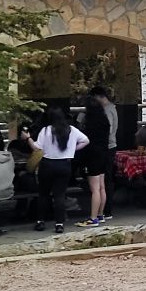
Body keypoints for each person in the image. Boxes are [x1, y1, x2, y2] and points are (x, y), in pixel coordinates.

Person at [27, 107, 89, 233]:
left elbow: (36, 148)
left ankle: (40, 222)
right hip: (64, 165)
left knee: (43, 194)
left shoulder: (46, 130)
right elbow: (86, 141)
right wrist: (72, 150)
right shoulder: (71, 130)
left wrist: (27, 138)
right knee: (60, 195)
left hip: (47, 164)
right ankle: (59, 224)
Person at [75, 99, 109, 227]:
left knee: (94, 189)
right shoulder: (105, 121)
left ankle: (93, 218)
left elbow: (85, 141)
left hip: (92, 156)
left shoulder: (89, 124)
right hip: (104, 154)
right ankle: (101, 215)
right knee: (101, 186)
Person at [89, 86, 118, 220]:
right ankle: (103, 211)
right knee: (104, 180)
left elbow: (109, 129)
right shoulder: (113, 107)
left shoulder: (106, 110)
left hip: (106, 147)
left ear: (98, 96)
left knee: (104, 181)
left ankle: (105, 211)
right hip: (109, 146)